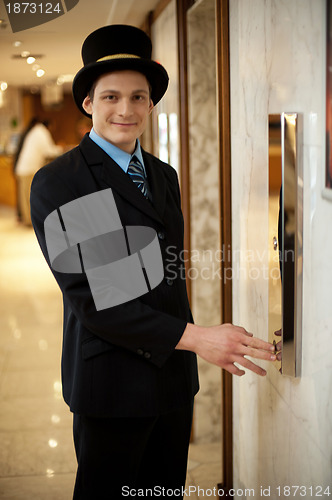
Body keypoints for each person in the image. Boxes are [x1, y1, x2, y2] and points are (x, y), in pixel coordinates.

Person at [30, 25, 277, 499]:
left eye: (138, 97)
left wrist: (190, 345)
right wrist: (202, 338)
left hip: (171, 380)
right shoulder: (65, 181)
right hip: (113, 387)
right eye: (111, 97)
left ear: (150, 103)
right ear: (87, 103)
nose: (126, 110)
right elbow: (102, 301)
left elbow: (165, 277)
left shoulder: (163, 176)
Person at [15, 118, 62, 225]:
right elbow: (49, 150)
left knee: (25, 198)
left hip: (23, 168)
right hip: (29, 169)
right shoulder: (42, 132)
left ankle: (28, 221)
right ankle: (31, 222)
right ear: (49, 126)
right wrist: (61, 149)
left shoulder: (35, 131)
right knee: (29, 198)